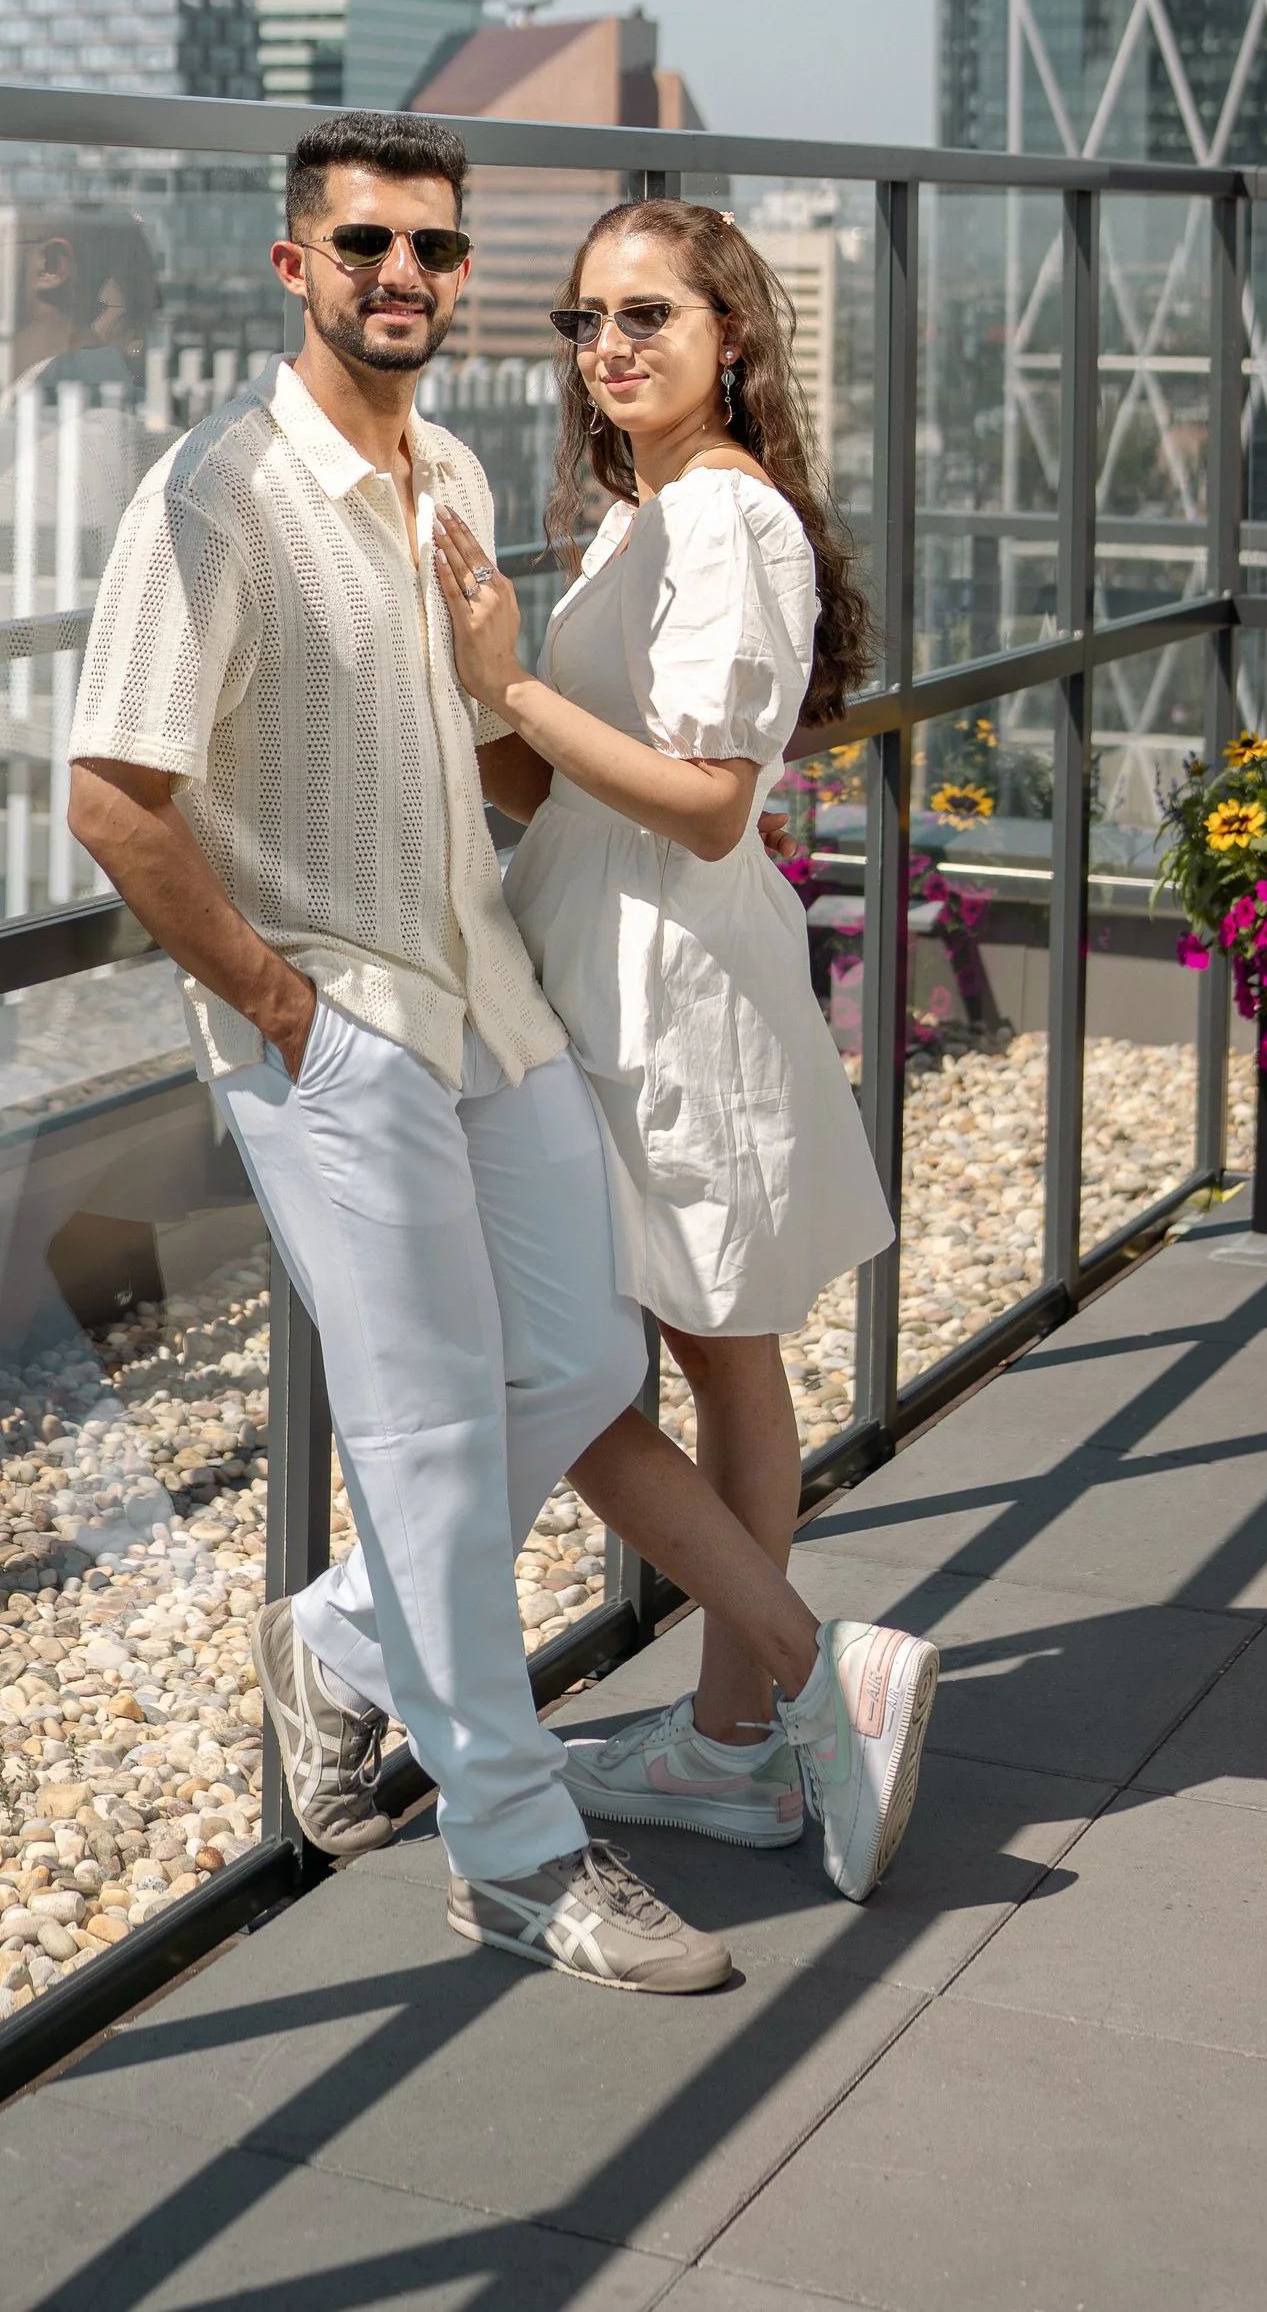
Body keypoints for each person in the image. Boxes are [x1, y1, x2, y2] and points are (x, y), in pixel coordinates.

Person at [68, 115, 930, 1993]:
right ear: (294, 265)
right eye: (369, 245)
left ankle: (350, 1644)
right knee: (437, 1431)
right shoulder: (209, 496)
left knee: (577, 1356)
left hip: (502, 993)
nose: (408, 279)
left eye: (440, 253)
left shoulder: (454, 468)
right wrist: (284, 1014)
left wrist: (510, 694)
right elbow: (115, 796)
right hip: (341, 1018)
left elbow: (505, 751)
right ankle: (521, 1847)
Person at [431, 196, 932, 1861]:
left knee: (556, 1353)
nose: (612, 346)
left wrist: (508, 684)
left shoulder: (729, 522)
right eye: (586, 320)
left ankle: (790, 1676)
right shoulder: (642, 521)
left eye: (649, 314)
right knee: (719, 1355)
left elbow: (711, 806)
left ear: (735, 336)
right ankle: (737, 1736)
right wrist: (447, 687)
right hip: (608, 961)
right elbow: (562, 778)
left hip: (668, 983)